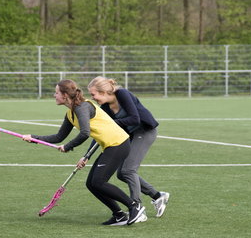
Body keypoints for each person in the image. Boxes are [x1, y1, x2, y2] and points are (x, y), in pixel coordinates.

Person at [22, 79, 145, 226]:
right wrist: (34, 138)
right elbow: (58, 137)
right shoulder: (70, 114)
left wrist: (68, 146)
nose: (54, 95)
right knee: (91, 184)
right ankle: (119, 215)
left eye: (56, 92)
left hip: (119, 144)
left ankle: (134, 206)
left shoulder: (83, 107)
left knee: (99, 182)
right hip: (109, 146)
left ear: (65, 95)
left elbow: (85, 133)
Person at [85, 76, 170, 221]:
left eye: (94, 94)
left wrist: (112, 123)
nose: (92, 98)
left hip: (144, 131)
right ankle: (157, 196)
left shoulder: (122, 94)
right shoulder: (104, 108)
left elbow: (134, 118)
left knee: (128, 170)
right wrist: (86, 155)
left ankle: (137, 208)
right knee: (122, 174)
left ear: (104, 91)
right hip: (129, 135)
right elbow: (101, 133)